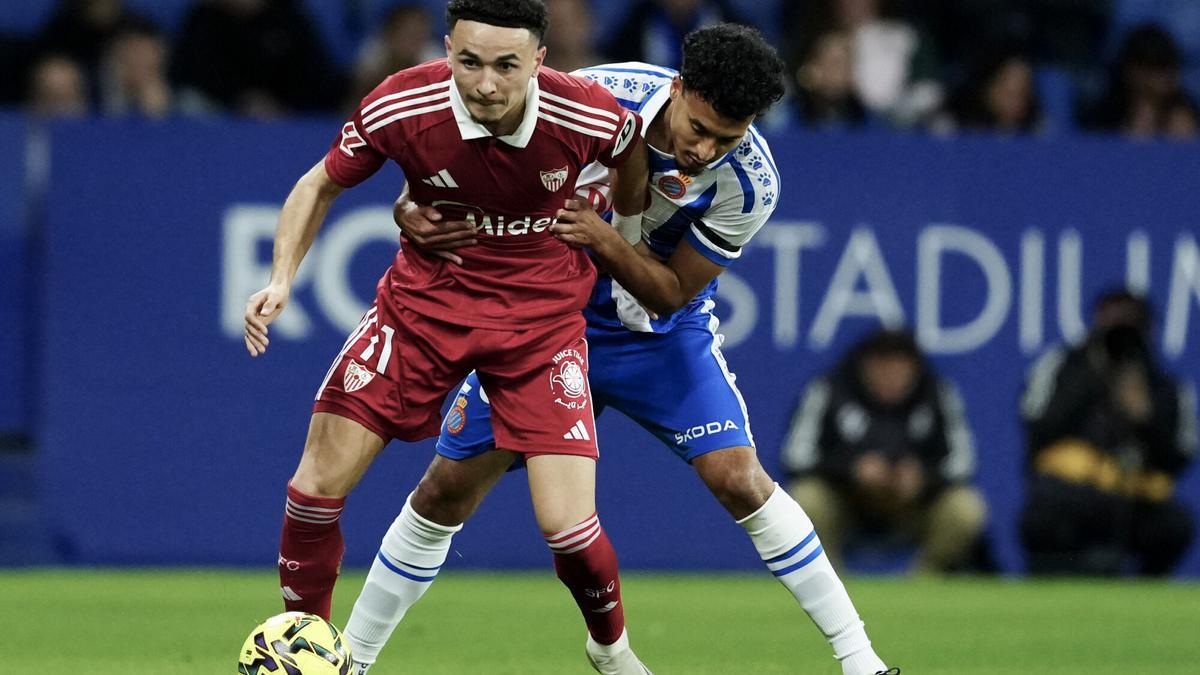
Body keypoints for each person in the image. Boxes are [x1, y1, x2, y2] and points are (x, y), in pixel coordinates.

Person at [347, 24, 898, 675]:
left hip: (656, 337)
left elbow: (668, 294)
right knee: (445, 491)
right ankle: (352, 657)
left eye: (729, 137)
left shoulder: (751, 184)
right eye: (699, 127)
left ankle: (860, 658)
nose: (705, 149)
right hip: (546, 319)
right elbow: (477, 143)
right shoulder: (596, 95)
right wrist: (413, 198)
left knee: (738, 477)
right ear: (680, 89)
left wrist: (605, 242)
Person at [242, 0, 652, 671]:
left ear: (539, 62)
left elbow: (631, 150)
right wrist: (281, 276)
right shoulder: (404, 102)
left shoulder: (583, 111)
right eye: (468, 61)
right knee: (313, 489)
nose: (484, 82)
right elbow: (318, 185)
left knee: (570, 531)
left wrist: (623, 234)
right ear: (447, 49)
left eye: (505, 65)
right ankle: (308, 650)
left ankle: (611, 651)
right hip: (422, 311)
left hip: (540, 327)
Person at [1020, 290, 1197, 575]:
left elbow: (1178, 460)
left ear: (1149, 331)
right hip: (1070, 491)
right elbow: (1037, 427)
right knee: (1041, 516)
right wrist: (1093, 379)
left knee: (1175, 525)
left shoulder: (1164, 387)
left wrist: (1145, 417)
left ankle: (1145, 598)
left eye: (1131, 325)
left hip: (1134, 497)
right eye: (1111, 323)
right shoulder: (1064, 366)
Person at [782, 329, 987, 574]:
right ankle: (830, 587)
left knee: (965, 508)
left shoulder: (937, 392)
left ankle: (924, 586)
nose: (891, 375)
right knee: (806, 498)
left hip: (913, 506)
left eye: (900, 366)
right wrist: (852, 471)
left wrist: (923, 478)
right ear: (865, 366)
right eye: (882, 366)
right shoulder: (829, 389)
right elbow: (796, 456)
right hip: (846, 503)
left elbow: (962, 462)